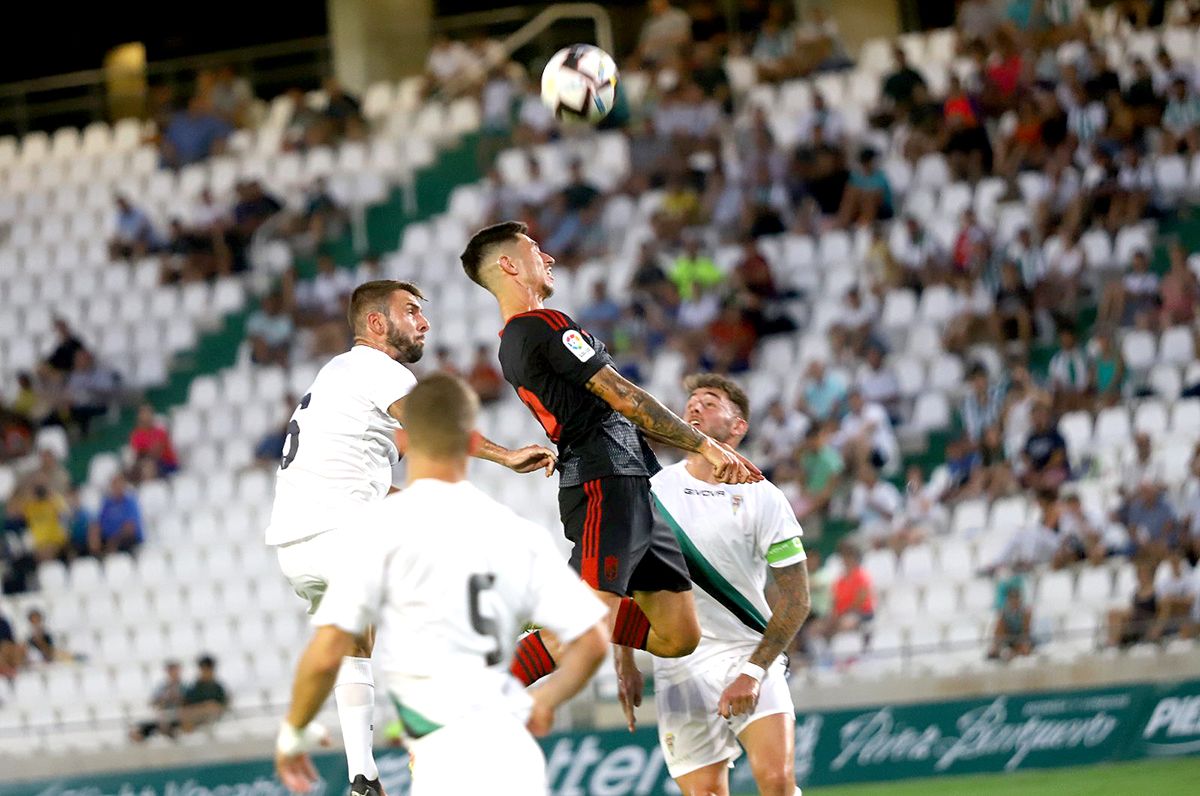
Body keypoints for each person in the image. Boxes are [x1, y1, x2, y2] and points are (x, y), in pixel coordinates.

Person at [265, 280, 555, 796]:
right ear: (376, 324)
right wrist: (507, 456)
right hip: (341, 531)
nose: (424, 322)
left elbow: (369, 483)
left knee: (358, 640)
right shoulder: (375, 367)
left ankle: (362, 775)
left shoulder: (337, 379)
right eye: (412, 312)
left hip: (296, 546)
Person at [459, 221, 760, 695]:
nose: (549, 258)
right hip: (605, 484)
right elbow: (621, 395)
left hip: (631, 485)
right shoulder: (544, 325)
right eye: (536, 249)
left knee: (679, 635)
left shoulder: (514, 342)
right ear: (508, 265)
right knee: (580, 632)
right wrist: (703, 443)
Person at [274, 374, 609, 796]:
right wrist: (544, 703)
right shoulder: (515, 532)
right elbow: (594, 640)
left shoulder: (379, 533)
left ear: (406, 439)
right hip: (514, 759)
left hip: (446, 763)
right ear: (471, 442)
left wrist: (292, 735)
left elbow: (326, 656)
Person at [619, 374, 811, 795]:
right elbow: (627, 579)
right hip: (679, 664)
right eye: (690, 401)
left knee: (777, 782)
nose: (694, 407)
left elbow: (797, 600)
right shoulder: (652, 489)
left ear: (738, 426)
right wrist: (625, 661)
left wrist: (754, 672)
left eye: (710, 401)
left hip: (747, 652)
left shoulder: (764, 497)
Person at [130, 660, 185, 741]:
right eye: (171, 670)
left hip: (179, 718)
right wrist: (164, 699)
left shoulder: (185, 686)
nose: (173, 673)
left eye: (175, 670)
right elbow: (153, 703)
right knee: (136, 730)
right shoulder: (161, 687)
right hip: (161, 717)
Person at [179, 655, 229, 731]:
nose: (207, 672)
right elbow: (185, 708)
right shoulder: (193, 688)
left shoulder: (218, 687)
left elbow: (223, 706)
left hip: (215, 722)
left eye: (209, 669)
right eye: (204, 669)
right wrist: (204, 707)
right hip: (196, 724)